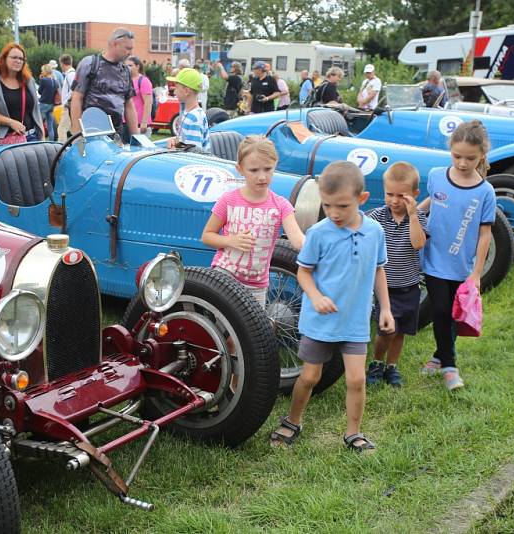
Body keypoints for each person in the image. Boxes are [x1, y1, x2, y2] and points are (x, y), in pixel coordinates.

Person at [270, 161, 393, 452]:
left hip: (355, 322)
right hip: (320, 322)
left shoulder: (374, 231)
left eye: (342, 206)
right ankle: (292, 420)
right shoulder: (319, 233)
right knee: (310, 376)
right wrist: (314, 296)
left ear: (361, 199)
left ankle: (353, 433)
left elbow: (378, 270)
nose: (334, 213)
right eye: (327, 206)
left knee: (356, 378)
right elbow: (303, 272)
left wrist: (385, 308)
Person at [417, 120, 495, 391]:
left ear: (482, 155)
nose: (462, 163)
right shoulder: (437, 175)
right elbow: (431, 201)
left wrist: (476, 273)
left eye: (470, 158)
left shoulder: (485, 192)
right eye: (457, 156)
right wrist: (413, 213)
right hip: (435, 258)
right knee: (439, 309)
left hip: (462, 265)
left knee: (453, 313)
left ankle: (439, 356)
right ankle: (450, 367)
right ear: (450, 150)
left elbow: (485, 234)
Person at [202, 136, 304, 307]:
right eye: (254, 170)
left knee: (252, 332)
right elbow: (207, 236)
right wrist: (231, 240)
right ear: (240, 169)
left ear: (275, 165)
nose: (262, 176)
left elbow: (297, 239)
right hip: (225, 275)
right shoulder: (228, 200)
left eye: (267, 169)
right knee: (222, 325)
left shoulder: (281, 205)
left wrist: (322, 247)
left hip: (256, 285)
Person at [365, 162, 428, 387]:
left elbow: (418, 243)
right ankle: (376, 362)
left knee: (400, 331)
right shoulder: (376, 217)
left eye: (401, 195)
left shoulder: (418, 218)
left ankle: (392, 366)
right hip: (385, 288)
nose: (394, 200)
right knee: (386, 331)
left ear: (415, 195)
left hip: (409, 285)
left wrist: (412, 215)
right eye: (389, 194)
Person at [70, 27, 138, 137]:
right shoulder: (89, 64)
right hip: (91, 133)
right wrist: (77, 135)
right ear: (115, 44)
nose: (131, 53)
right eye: (127, 48)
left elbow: (129, 105)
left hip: (116, 134)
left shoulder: (125, 71)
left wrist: (137, 137)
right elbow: (77, 98)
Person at [0, 43, 44, 144]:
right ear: (4, 58)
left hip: (32, 137)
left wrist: (42, 136)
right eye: (14, 57)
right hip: (8, 140)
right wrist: (10, 122)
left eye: (21, 59)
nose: (18, 61)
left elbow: (36, 110)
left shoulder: (28, 81)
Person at [164, 68, 209, 151]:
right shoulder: (188, 113)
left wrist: (173, 150)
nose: (174, 92)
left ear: (186, 91)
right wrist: (175, 141)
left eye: (176, 88)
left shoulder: (194, 118)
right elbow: (185, 141)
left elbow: (193, 154)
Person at [124, 55, 152, 139]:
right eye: (126, 66)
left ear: (137, 66)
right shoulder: (125, 80)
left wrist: (144, 122)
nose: (128, 68)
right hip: (126, 122)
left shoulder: (144, 81)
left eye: (130, 65)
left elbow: (148, 103)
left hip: (140, 123)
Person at [37, 64, 59, 141]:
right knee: (50, 126)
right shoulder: (55, 81)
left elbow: (39, 92)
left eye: (42, 70)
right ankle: (52, 142)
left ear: (45, 71)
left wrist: (40, 80)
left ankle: (40, 140)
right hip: (51, 105)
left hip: (43, 104)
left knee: (38, 124)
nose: (42, 72)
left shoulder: (44, 80)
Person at [57, 54, 76, 142]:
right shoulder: (72, 74)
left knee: (61, 129)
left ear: (62, 63)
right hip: (72, 106)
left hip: (69, 106)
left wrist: (67, 102)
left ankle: (62, 150)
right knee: (74, 130)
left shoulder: (70, 75)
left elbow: (74, 90)